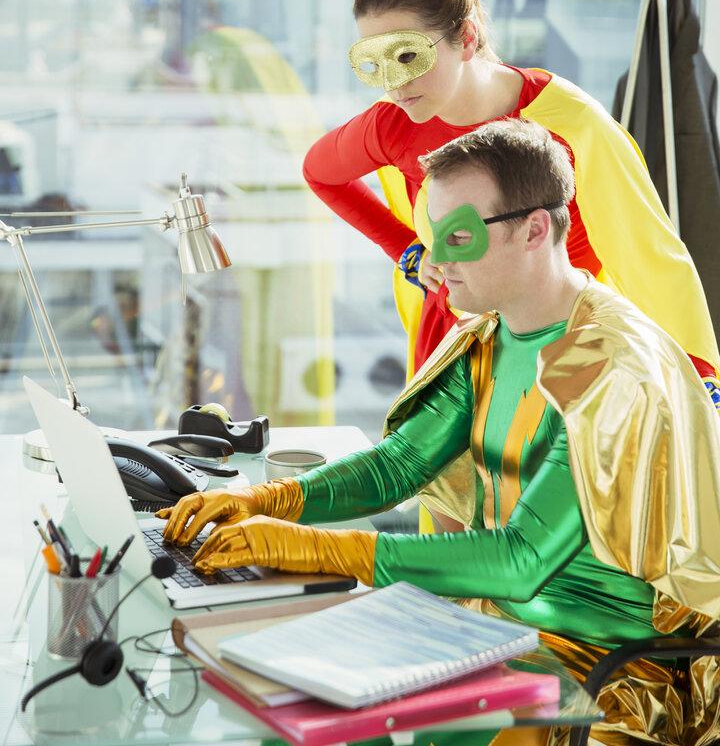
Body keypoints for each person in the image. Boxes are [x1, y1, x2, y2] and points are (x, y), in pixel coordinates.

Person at [160, 120, 720, 746]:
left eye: (459, 237)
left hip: (598, 670)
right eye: (433, 236)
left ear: (535, 230)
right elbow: (396, 467)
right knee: (277, 709)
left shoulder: (612, 366)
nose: (436, 260)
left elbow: (521, 559)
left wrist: (309, 547)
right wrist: (262, 501)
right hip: (481, 629)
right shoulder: (486, 335)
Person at [302, 0, 719, 401]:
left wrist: (698, 375)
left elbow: (649, 252)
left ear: (465, 36)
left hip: (562, 353)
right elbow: (320, 173)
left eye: (409, 56)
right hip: (455, 346)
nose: (394, 86)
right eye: (374, 64)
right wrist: (409, 252)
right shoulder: (394, 123)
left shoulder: (570, 122)